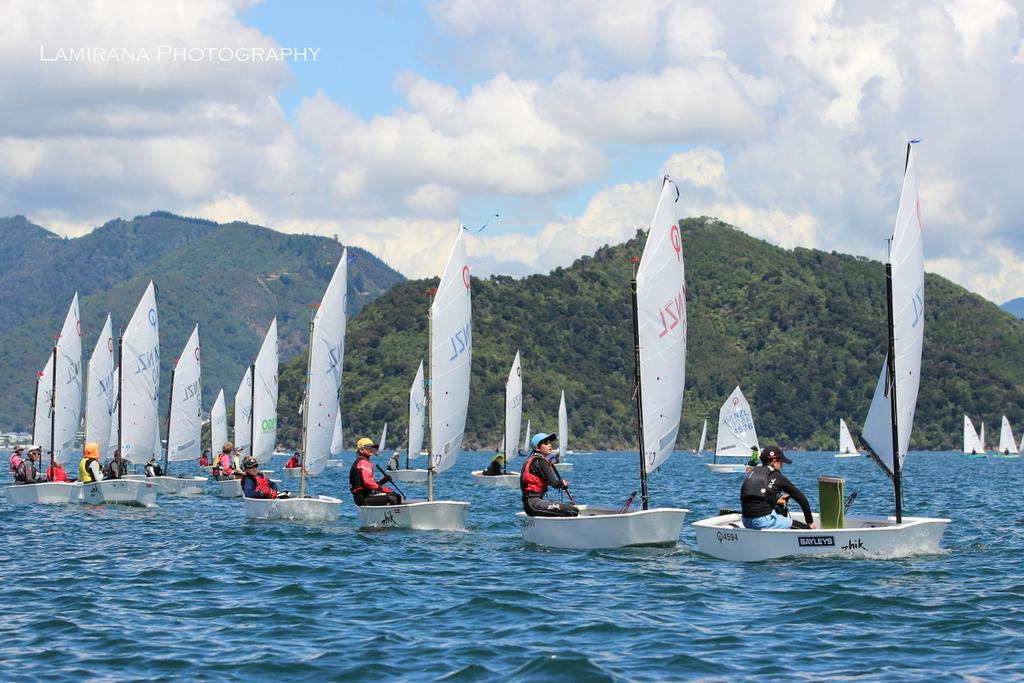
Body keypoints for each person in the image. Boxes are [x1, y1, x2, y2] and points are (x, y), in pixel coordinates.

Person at [740, 446, 816, 530]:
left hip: (746, 520)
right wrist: (810, 522)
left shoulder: (754, 472)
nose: (782, 465)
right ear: (774, 461)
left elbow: (758, 496)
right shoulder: (776, 475)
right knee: (805, 529)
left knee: (778, 507)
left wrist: (777, 499)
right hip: (763, 521)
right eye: (781, 462)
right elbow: (801, 499)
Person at [520, 433, 578, 517]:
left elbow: (549, 482)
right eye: (546, 443)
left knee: (566, 507)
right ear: (537, 448)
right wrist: (562, 483)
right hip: (533, 504)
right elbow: (554, 484)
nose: (550, 445)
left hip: (530, 504)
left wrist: (559, 483)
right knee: (572, 510)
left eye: (550, 443)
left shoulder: (534, 460)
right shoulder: (540, 461)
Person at [349, 437, 402, 506]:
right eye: (368, 447)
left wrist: (382, 481)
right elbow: (368, 482)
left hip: (362, 498)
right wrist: (382, 489)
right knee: (394, 497)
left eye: (372, 447)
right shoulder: (364, 462)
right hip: (364, 498)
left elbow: (367, 486)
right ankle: (393, 516)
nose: (371, 449)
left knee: (393, 495)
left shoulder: (360, 462)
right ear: (361, 450)